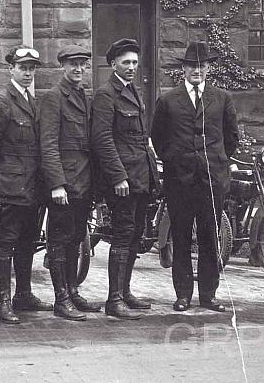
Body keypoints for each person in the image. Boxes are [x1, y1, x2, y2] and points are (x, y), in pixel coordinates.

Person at [151, 42, 239, 313]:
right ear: (184, 69)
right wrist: (175, 160)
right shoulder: (168, 100)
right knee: (180, 236)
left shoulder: (221, 98)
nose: (196, 70)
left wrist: (216, 160)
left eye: (201, 65)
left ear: (208, 68)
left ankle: (208, 295)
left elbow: (231, 137)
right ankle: (183, 295)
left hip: (211, 180)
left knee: (209, 237)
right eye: (191, 66)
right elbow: (158, 137)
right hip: (180, 181)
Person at [0, 46, 53, 324]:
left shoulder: (31, 101)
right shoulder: (1, 101)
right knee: (7, 243)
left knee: (28, 242)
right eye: (22, 67)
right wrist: (0, 177)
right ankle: (3, 301)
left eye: (32, 68)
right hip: (10, 187)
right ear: (10, 68)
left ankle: (24, 294)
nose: (28, 73)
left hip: (32, 187)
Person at [91, 38, 159, 320]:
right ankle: (114, 299)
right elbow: (103, 139)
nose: (131, 67)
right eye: (125, 62)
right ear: (113, 64)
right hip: (123, 180)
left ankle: (126, 291)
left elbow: (142, 140)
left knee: (134, 236)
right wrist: (117, 176)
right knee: (122, 235)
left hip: (141, 176)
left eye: (134, 62)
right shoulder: (107, 94)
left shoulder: (134, 91)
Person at [39, 44, 101, 321]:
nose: (78, 69)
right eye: (73, 64)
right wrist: (56, 183)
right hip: (64, 183)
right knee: (59, 240)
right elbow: (49, 144)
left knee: (76, 238)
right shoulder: (54, 98)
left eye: (82, 64)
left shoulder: (84, 97)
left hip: (84, 182)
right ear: (63, 66)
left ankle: (73, 290)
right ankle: (61, 298)